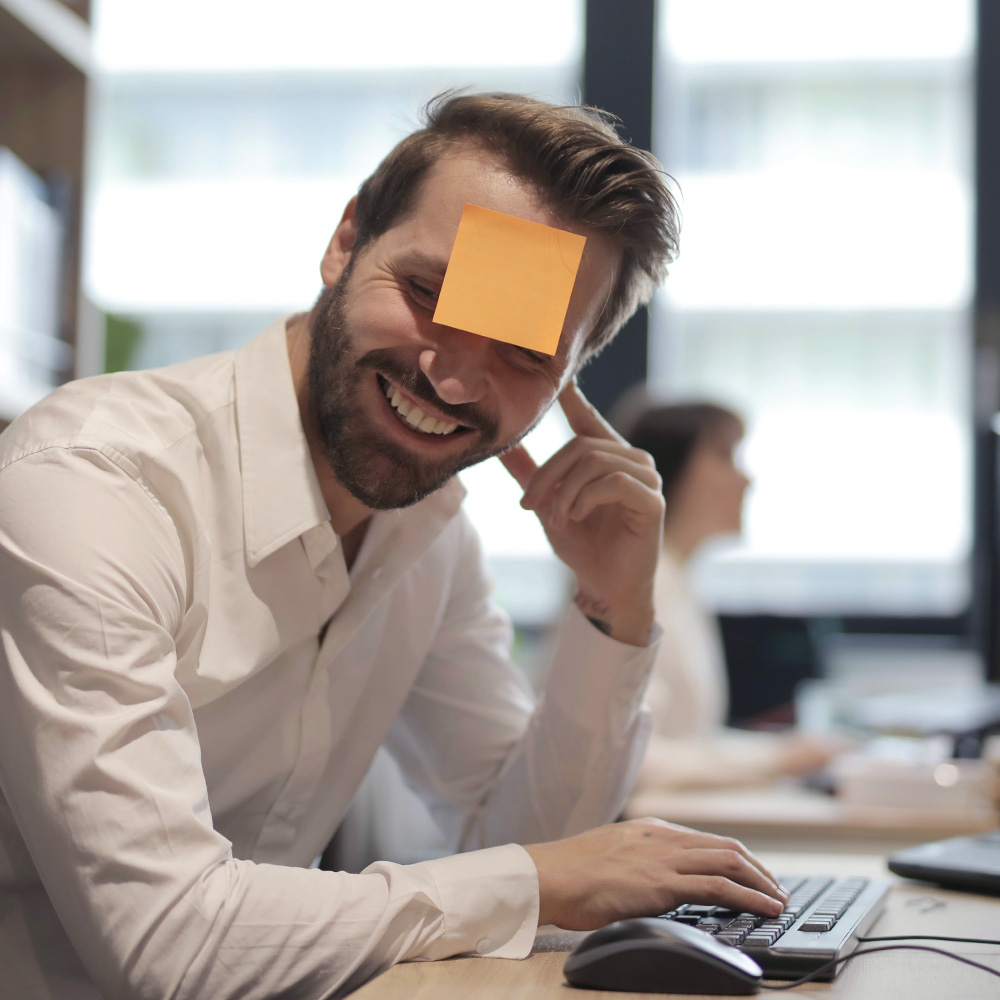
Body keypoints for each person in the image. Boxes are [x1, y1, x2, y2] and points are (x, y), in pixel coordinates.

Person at [0, 93, 788, 1000]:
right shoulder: (101, 480)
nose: (452, 376)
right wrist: (537, 879)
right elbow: (167, 942)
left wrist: (616, 608)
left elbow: (537, 842)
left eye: (526, 352)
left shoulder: (429, 529)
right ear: (345, 241)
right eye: (427, 294)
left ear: (569, 384)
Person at [621, 400, 843, 791]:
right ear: (666, 469)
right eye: (725, 456)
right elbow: (635, 759)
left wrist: (789, 750)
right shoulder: (637, 583)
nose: (746, 480)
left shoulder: (676, 579)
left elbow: (691, 742)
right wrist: (781, 758)